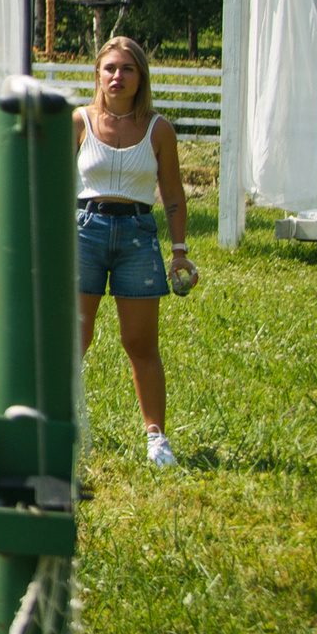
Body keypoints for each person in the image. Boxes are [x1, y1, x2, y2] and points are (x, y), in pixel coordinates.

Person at [73, 36, 193, 469]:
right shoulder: (80, 121)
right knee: (73, 339)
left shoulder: (159, 129)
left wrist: (178, 251)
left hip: (139, 236)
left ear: (141, 77)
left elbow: (174, 193)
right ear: (98, 74)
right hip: (84, 231)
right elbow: (50, 186)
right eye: (110, 68)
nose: (117, 77)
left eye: (127, 69)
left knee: (140, 343)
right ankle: (57, 426)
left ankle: (156, 439)